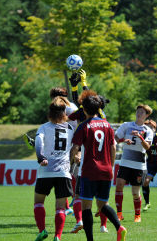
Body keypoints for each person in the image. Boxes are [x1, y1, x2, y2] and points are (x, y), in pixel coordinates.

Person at [70, 95, 127, 241]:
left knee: (86, 207)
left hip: (89, 171)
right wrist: (111, 165)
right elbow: (113, 146)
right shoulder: (107, 125)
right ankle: (119, 227)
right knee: (102, 205)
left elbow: (75, 147)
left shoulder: (84, 125)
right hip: (106, 170)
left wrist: (70, 163)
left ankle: (90, 240)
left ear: (84, 109)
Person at [33, 97, 74, 241]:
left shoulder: (44, 127)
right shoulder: (70, 128)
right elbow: (76, 147)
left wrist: (40, 157)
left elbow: (38, 141)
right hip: (63, 171)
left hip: (46, 171)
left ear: (50, 112)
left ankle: (42, 230)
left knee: (39, 202)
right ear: (64, 112)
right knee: (61, 207)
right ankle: (57, 236)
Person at [114, 104, 153, 223]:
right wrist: (123, 140)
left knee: (135, 193)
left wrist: (140, 137)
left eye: (142, 112)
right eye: (138, 111)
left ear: (146, 116)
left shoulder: (148, 130)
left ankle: (137, 215)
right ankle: (119, 214)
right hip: (125, 162)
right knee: (119, 185)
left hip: (139, 165)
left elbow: (148, 148)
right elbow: (114, 138)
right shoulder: (126, 125)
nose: (139, 113)